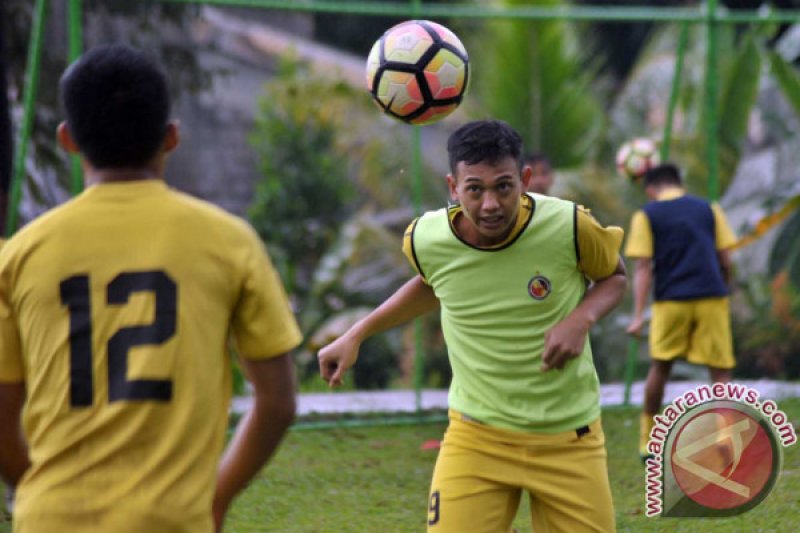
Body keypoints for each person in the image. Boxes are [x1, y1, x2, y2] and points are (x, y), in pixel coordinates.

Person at [0, 44, 301, 533]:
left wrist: (34, 484)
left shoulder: (19, 255)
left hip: (50, 517)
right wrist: (217, 497)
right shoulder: (228, 241)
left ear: (67, 140)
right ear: (171, 137)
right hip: (172, 520)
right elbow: (278, 401)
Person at [319, 120, 626, 532]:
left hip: (569, 439)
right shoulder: (425, 240)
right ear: (453, 187)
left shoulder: (569, 226)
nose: (490, 205)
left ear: (525, 180)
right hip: (476, 439)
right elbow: (435, 283)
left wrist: (580, 319)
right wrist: (356, 334)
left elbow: (614, 276)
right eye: (474, 189)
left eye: (503, 186)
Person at [624, 163, 736, 460]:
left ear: (650, 189)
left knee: (660, 367)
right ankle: (725, 434)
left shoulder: (646, 215)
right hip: (711, 295)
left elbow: (644, 268)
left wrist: (637, 316)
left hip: (671, 300)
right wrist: (724, 288)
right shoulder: (709, 209)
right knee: (720, 371)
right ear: (679, 182)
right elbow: (725, 258)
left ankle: (648, 440)